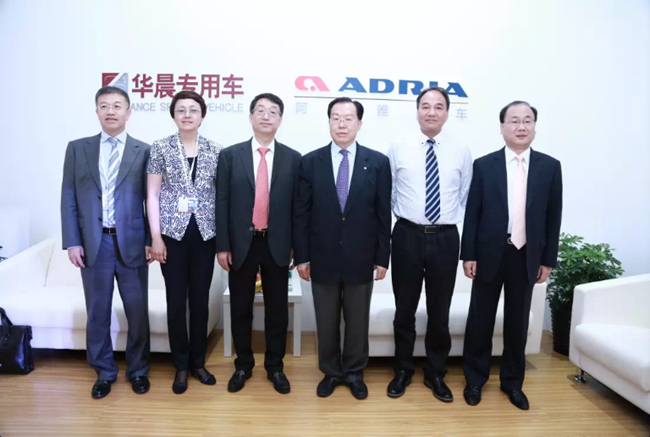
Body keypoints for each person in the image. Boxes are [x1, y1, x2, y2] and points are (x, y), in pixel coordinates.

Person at [461, 101, 562, 410]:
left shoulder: (550, 166)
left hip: (526, 255)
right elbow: (473, 213)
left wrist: (548, 259)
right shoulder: (484, 165)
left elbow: (553, 217)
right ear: (502, 127)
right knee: (480, 320)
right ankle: (475, 380)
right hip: (489, 253)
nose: (521, 126)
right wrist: (468, 254)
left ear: (534, 127)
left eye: (527, 120)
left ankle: (513, 383)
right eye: (514, 121)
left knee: (518, 324)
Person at [294, 97, 391, 400]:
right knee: (326, 320)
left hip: (361, 257)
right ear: (329, 122)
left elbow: (382, 215)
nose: (341, 124)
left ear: (359, 123)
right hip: (321, 256)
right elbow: (301, 214)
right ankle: (331, 372)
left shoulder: (378, 162)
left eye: (348, 118)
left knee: (357, 320)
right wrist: (302, 256)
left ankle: (354, 372)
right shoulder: (311, 162)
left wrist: (382, 258)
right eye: (335, 118)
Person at [61, 86, 151, 399]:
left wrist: (151, 240)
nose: (110, 111)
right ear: (97, 111)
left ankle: (138, 371)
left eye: (116, 105)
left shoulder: (144, 150)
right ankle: (103, 372)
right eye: (104, 106)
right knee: (97, 312)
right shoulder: (78, 149)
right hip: (94, 244)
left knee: (137, 311)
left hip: (133, 243)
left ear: (128, 112)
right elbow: (68, 196)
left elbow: (152, 200)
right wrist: (73, 241)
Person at [387, 86, 472, 401]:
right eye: (425, 106)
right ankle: (402, 370)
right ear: (417, 111)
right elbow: (390, 192)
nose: (431, 112)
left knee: (439, 311)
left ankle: (436, 373)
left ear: (447, 113)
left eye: (438, 106)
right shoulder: (399, 147)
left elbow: (464, 194)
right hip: (406, 235)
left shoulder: (461, 150)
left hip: (445, 238)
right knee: (404, 310)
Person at [215, 93, 301, 394]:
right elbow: (221, 202)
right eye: (260, 111)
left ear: (280, 120)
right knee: (241, 308)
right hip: (241, 244)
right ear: (251, 117)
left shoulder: (293, 158)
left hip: (278, 244)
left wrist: (297, 246)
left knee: (278, 311)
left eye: (273, 112)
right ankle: (243, 365)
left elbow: (298, 208)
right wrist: (222, 245)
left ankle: (275, 366)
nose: (266, 116)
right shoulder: (230, 155)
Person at [147, 90, 222, 394]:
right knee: (176, 301)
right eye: (181, 110)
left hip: (205, 235)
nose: (187, 115)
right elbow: (152, 194)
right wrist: (155, 237)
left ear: (202, 115)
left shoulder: (216, 150)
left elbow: (221, 196)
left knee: (200, 301)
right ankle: (180, 364)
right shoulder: (160, 147)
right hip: (171, 236)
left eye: (193, 110)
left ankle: (198, 362)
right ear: (173, 115)